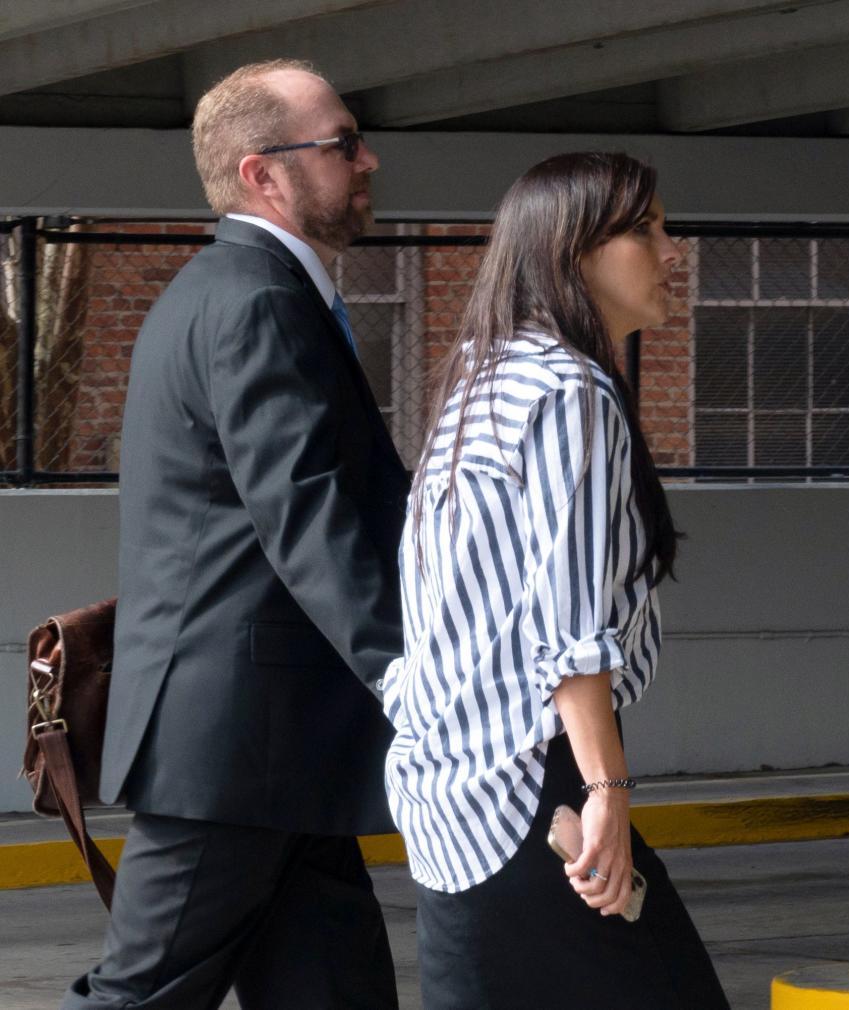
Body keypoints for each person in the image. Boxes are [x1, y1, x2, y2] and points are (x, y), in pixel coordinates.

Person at [63, 60, 409, 1009]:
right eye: (341, 145)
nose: (367, 158)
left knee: (335, 992)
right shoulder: (255, 299)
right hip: (235, 748)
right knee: (141, 995)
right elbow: (307, 513)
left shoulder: (247, 289)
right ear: (263, 172)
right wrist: (411, 676)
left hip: (285, 745)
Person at [382, 151, 731, 1009]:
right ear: (576, 249)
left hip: (455, 788)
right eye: (646, 229)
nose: (671, 249)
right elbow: (568, 625)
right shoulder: (568, 391)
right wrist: (607, 791)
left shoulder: (484, 376)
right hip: (531, 787)